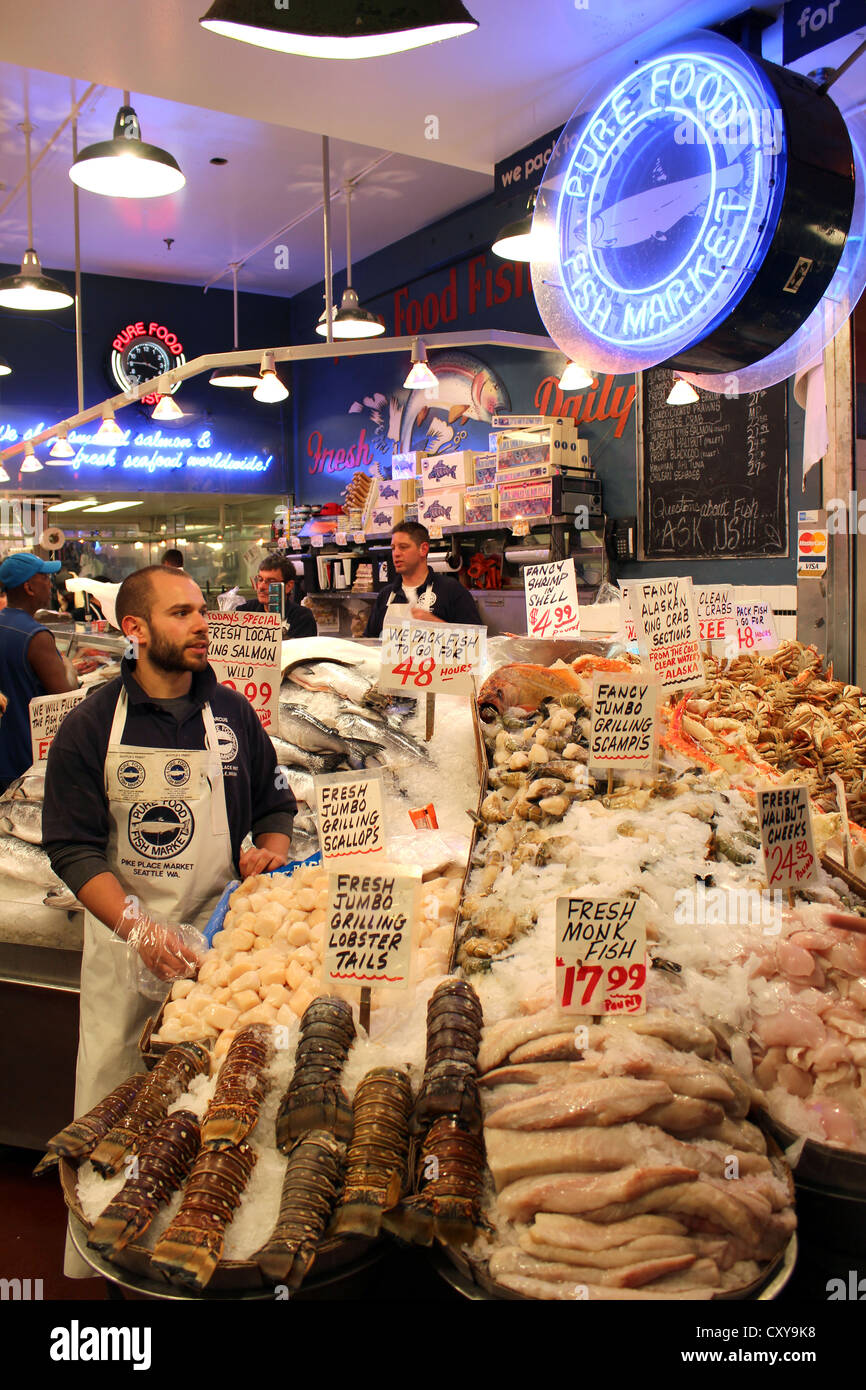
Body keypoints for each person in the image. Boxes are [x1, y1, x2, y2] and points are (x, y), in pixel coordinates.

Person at [42, 565, 296, 1272]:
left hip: (222, 954)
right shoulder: (91, 726)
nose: (201, 623)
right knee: (112, 1112)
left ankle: (197, 1254)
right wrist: (138, 928)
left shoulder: (233, 716)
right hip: (126, 952)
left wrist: (269, 854)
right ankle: (107, 1268)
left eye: (202, 611)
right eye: (182, 612)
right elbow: (70, 844)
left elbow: (276, 806)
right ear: (135, 629)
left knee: (213, 1116)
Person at [0, 552, 76, 792]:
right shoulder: (36, 636)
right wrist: (67, 665)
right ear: (29, 587)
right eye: (45, 578)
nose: (50, 584)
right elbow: (66, 698)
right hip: (25, 762)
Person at [365, 522, 482, 637]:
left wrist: (437, 626)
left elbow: (477, 642)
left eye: (403, 547)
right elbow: (370, 643)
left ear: (423, 549)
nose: (396, 553)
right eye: (393, 548)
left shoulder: (451, 590)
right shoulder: (386, 595)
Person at [241, 554, 317, 639]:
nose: (261, 587)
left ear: (288, 586)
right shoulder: (244, 611)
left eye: (270, 581)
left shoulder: (302, 618)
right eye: (260, 580)